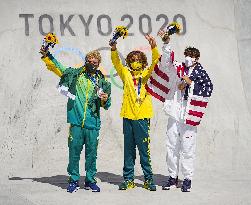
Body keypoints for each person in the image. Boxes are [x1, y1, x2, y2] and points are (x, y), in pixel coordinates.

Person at [40, 46, 111, 193]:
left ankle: (90, 180)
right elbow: (58, 68)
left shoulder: (102, 81)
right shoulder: (75, 75)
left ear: (99, 63)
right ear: (86, 62)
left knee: (92, 154)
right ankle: (73, 180)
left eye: (95, 62)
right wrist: (48, 56)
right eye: (90, 61)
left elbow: (107, 104)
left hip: (93, 123)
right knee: (74, 152)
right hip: (76, 122)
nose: (93, 64)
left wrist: (105, 99)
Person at [157, 30, 213, 192]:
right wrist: (166, 43)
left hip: (189, 115)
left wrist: (190, 83)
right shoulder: (179, 68)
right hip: (175, 113)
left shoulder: (201, 73)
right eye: (187, 54)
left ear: (197, 58)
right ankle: (172, 177)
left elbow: (208, 88)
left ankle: (187, 178)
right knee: (171, 146)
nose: (188, 57)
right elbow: (166, 63)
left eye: (192, 55)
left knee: (188, 148)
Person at [109, 34, 159, 191]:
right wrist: (113, 48)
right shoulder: (125, 73)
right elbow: (116, 62)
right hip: (128, 117)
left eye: (138, 59)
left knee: (144, 150)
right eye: (132, 59)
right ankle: (128, 179)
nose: (135, 62)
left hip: (143, 117)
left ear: (143, 62)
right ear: (129, 61)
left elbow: (156, 62)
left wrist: (153, 47)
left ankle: (148, 179)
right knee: (128, 150)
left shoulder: (148, 74)